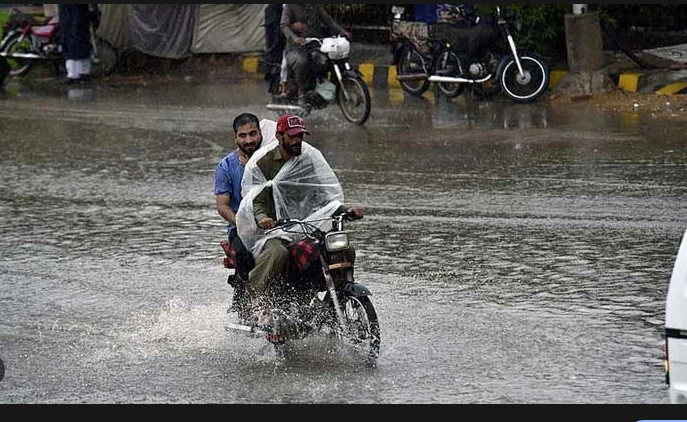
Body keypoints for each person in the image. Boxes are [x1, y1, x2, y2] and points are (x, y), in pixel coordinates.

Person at [235, 114, 364, 327]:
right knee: (278, 253)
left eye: (300, 136)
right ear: (279, 136)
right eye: (292, 136)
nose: (297, 141)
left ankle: (335, 297)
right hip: (273, 229)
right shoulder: (263, 161)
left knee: (343, 249)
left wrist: (344, 208)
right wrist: (263, 218)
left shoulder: (308, 158)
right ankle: (257, 300)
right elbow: (254, 199)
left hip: (305, 224)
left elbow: (322, 193)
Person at [214, 113, 276, 316]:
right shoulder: (226, 166)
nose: (249, 140)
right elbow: (222, 206)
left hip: (273, 225)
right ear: (235, 138)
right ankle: (251, 294)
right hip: (240, 230)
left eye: (253, 134)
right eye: (243, 136)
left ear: (260, 133)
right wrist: (242, 223)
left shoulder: (270, 159)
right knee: (243, 253)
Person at [280, 4, 352, 106]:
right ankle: (301, 93)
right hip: (296, 47)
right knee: (302, 61)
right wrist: (295, 38)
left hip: (315, 44)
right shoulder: (290, 6)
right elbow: (284, 26)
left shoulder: (315, 6)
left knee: (331, 58)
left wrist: (342, 31)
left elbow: (329, 21)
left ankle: (329, 88)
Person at [58, 4, 99, 84]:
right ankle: (81, 73)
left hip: (73, 19)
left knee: (73, 46)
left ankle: (74, 74)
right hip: (77, 19)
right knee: (78, 45)